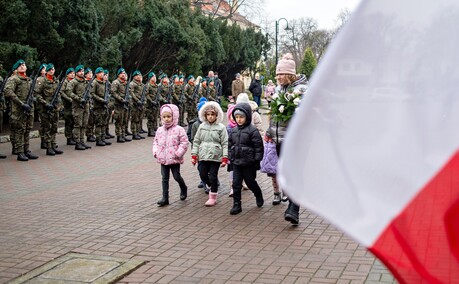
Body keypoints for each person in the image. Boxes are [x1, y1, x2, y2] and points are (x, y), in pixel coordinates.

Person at [265, 53, 308, 225]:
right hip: (279, 139)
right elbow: (274, 114)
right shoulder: (279, 89)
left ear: (290, 74)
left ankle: (293, 208)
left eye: (280, 74)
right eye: (276, 74)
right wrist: (269, 131)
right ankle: (291, 202)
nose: (277, 77)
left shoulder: (302, 90)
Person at [228, 103, 264, 214]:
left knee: (250, 182)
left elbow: (258, 146)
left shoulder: (252, 131)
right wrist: (230, 157)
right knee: (236, 184)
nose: (239, 119)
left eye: (241, 117)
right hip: (237, 162)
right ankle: (237, 205)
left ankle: (258, 194)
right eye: (237, 117)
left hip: (249, 163)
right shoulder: (233, 131)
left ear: (247, 116)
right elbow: (230, 145)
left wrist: (257, 160)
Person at [191, 101, 228, 206]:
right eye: (208, 115)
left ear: (217, 115)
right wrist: (194, 155)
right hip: (203, 155)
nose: (210, 117)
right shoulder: (202, 127)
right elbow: (197, 141)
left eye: (213, 115)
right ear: (205, 115)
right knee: (203, 174)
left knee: (213, 176)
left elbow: (225, 143)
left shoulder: (221, 128)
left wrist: (225, 157)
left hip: (215, 156)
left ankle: (213, 197)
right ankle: (211, 185)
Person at [153, 104, 189, 207]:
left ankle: (183, 187)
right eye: (164, 117)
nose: (166, 119)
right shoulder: (160, 130)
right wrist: (155, 151)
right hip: (163, 158)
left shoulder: (179, 129)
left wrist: (178, 153)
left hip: (174, 158)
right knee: (164, 178)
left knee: (176, 176)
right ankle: (165, 198)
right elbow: (155, 142)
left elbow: (184, 142)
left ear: (174, 116)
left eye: (169, 116)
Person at [4, 60, 39, 161]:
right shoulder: (13, 79)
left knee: (27, 129)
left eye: (24, 65)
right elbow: (8, 92)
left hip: (29, 108)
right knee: (20, 130)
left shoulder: (28, 80)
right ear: (16, 68)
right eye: (20, 66)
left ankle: (26, 150)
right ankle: (20, 152)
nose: (23, 67)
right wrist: (21, 103)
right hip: (19, 109)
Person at [34, 63, 63, 156]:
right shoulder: (42, 80)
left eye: (53, 69)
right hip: (45, 108)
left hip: (54, 108)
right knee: (47, 128)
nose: (52, 70)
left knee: (54, 127)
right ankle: (49, 147)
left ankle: (53, 145)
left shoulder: (56, 81)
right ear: (47, 71)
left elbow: (58, 94)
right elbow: (37, 94)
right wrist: (45, 104)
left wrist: (59, 106)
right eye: (50, 69)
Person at [66, 65, 92, 150]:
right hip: (77, 106)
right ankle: (77, 143)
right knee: (78, 124)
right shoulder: (73, 82)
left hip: (86, 105)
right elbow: (68, 92)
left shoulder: (85, 82)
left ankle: (82, 141)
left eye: (83, 71)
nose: (82, 72)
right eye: (80, 71)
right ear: (77, 73)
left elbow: (89, 92)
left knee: (84, 124)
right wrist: (78, 99)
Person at [90, 67, 112, 146]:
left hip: (104, 106)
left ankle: (103, 138)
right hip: (98, 106)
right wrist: (101, 100)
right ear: (96, 74)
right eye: (100, 73)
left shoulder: (105, 83)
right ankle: (98, 139)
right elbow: (92, 94)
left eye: (103, 73)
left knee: (104, 123)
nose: (102, 74)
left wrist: (107, 101)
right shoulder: (95, 83)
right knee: (99, 124)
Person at [110, 68, 131, 143]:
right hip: (118, 104)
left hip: (125, 105)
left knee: (124, 120)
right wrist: (121, 99)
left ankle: (123, 134)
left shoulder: (126, 83)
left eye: (124, 73)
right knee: (119, 121)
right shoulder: (115, 82)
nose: (123, 74)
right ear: (118, 75)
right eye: (121, 73)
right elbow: (113, 93)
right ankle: (119, 136)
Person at [60, 68, 77, 145]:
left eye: (73, 73)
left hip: (74, 105)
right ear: (67, 74)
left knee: (73, 121)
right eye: (71, 73)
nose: (73, 74)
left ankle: (73, 137)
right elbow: (62, 92)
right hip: (67, 105)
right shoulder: (65, 82)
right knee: (69, 122)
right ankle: (69, 138)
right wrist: (69, 99)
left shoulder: (74, 82)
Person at [225, 104, 237, 197]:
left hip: (241, 154)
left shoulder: (242, 127)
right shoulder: (227, 128)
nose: (233, 118)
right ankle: (232, 188)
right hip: (231, 154)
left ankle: (241, 183)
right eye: (231, 116)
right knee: (232, 171)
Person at [145, 72, 159, 137]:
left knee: (154, 117)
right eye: (153, 77)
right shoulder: (148, 85)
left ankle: (153, 129)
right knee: (150, 118)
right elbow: (146, 94)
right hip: (150, 104)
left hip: (155, 104)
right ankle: (150, 131)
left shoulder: (156, 85)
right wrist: (151, 101)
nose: (155, 78)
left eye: (155, 77)